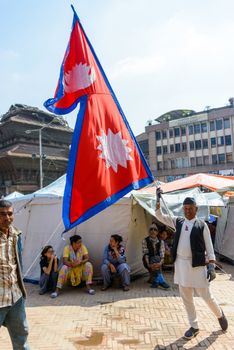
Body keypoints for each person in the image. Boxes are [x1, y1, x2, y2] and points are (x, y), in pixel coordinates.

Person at [155, 189, 228, 340]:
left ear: (196, 209)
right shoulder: (178, 222)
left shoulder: (202, 225)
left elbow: (209, 247)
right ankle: (194, 326)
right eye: (185, 208)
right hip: (181, 265)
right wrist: (158, 200)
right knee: (186, 297)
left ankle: (220, 315)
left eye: (190, 208)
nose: (187, 211)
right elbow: (159, 216)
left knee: (206, 296)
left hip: (197, 266)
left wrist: (211, 266)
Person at [0, 199, 30, 349]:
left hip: (16, 297)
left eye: (10, 214)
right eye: (2, 214)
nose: (7, 218)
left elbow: (18, 264)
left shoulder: (16, 235)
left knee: (21, 339)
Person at [142, 224, 170, 289]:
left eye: (155, 230)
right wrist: (148, 264)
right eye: (151, 229)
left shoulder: (161, 242)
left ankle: (156, 282)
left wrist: (160, 263)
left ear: (157, 232)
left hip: (158, 262)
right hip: (147, 261)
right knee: (154, 258)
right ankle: (162, 281)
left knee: (157, 257)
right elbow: (146, 254)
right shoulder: (145, 240)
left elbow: (162, 255)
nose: (153, 231)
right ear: (149, 232)